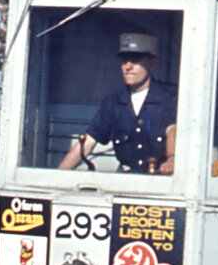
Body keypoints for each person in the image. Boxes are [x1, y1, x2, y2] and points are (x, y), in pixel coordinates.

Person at [57, 33, 177, 174]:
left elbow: (172, 130)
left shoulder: (169, 96)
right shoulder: (113, 100)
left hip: (161, 182)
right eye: (124, 60)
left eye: (136, 60)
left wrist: (172, 160)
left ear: (153, 63)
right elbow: (88, 141)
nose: (128, 66)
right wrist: (56, 176)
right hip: (125, 181)